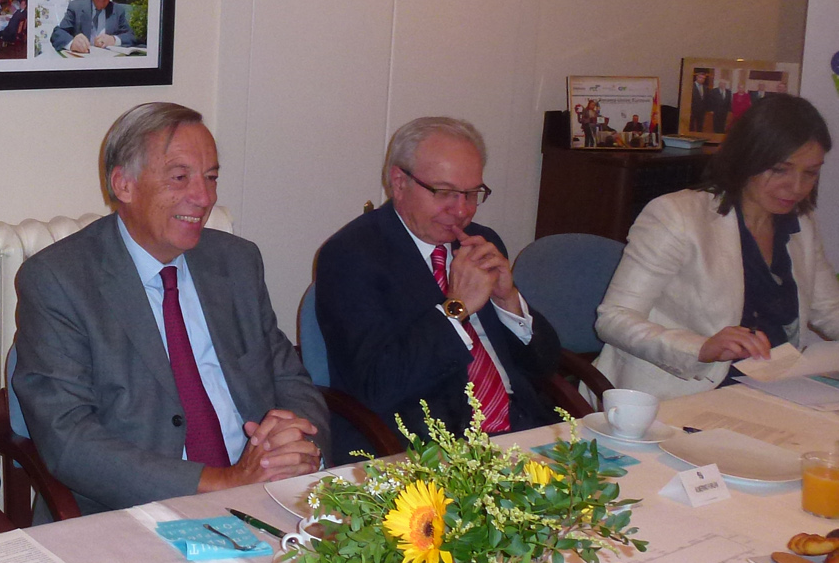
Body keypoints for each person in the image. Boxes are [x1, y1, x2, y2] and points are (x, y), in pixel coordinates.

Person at [14, 104, 326, 515]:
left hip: (263, 490)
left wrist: (296, 443)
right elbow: (69, 439)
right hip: (134, 511)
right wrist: (223, 482)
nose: (204, 197)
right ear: (124, 185)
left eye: (211, 177)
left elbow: (289, 377)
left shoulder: (237, 262)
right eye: (180, 177)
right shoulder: (60, 279)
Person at [315, 117, 562, 455]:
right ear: (399, 183)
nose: (461, 210)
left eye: (472, 194)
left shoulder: (481, 241)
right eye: (444, 192)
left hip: (523, 428)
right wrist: (456, 308)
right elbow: (377, 385)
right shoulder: (351, 256)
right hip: (430, 445)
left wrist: (508, 300)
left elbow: (544, 366)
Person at [595, 95, 839, 399]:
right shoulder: (677, 216)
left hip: (775, 387)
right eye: (780, 169)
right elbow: (614, 318)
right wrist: (701, 348)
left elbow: (829, 309)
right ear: (747, 159)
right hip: (683, 392)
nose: (797, 187)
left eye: (810, 173)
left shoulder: (801, 223)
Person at [49, 0, 135, 54]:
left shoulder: (118, 11)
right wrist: (72, 43)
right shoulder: (76, 7)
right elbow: (57, 33)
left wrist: (114, 40)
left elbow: (131, 36)